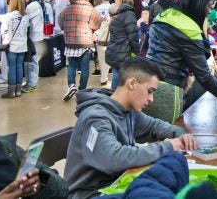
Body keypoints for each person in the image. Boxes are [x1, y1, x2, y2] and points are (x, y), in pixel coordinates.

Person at [64, 57, 197, 199]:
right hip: (90, 194)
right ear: (132, 83)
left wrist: (180, 134)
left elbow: (153, 126)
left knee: (173, 169)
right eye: (150, 91)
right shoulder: (95, 118)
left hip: (116, 184)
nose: (151, 99)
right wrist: (167, 146)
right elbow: (114, 158)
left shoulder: (128, 111)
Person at [58, 0, 104, 101]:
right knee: (85, 68)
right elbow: (98, 24)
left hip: (70, 42)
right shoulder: (91, 9)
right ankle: (82, 90)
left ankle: (71, 85)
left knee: (72, 65)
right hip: (85, 42)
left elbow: (60, 21)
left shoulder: (67, 8)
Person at [106, 0, 140, 90]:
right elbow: (133, 36)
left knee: (116, 75)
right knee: (123, 78)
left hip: (113, 48)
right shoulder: (128, 13)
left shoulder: (114, 12)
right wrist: (138, 51)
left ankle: (113, 100)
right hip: (124, 51)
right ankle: (119, 101)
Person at [0, 0, 30, 98]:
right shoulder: (26, 16)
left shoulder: (8, 16)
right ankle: (18, 90)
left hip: (12, 45)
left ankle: (11, 91)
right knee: (19, 66)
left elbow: (4, 30)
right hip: (23, 45)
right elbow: (27, 29)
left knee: (12, 67)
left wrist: (4, 41)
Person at [21, 0, 45, 93]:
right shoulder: (32, 4)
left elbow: (25, 20)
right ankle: (29, 82)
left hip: (34, 37)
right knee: (28, 61)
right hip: (31, 36)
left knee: (33, 61)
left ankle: (32, 84)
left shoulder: (32, 6)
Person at [94, 0, 112, 86]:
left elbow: (94, 23)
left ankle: (103, 77)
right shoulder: (112, 8)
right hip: (111, 35)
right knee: (109, 55)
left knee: (101, 57)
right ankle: (106, 74)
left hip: (99, 35)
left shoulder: (96, 8)